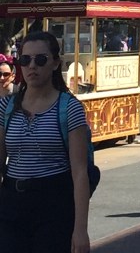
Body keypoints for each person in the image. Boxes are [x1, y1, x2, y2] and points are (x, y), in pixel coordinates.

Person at [0, 30, 91, 253]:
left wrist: (80, 230)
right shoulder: (6, 107)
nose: (32, 66)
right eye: (25, 60)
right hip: (12, 205)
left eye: (40, 59)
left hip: (54, 206)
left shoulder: (69, 108)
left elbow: (80, 173)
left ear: (55, 63)